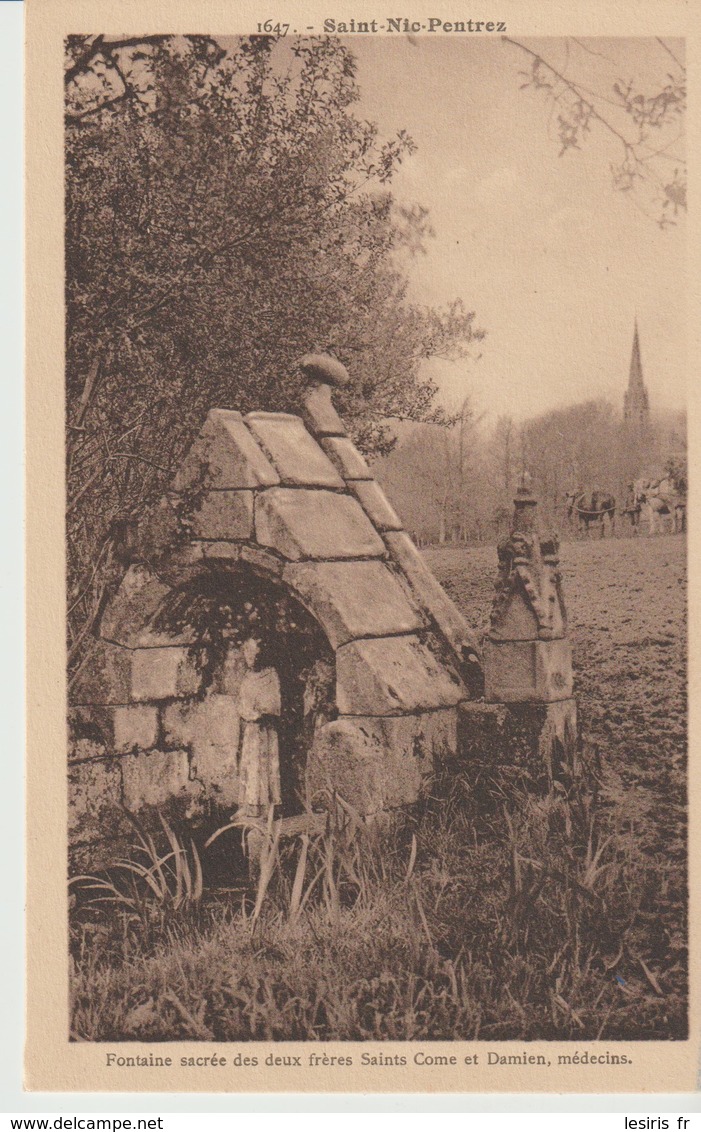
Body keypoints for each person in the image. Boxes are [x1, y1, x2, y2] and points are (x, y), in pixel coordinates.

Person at [237, 636, 282, 818]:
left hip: (265, 730)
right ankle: (249, 805)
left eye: (253, 653)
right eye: (246, 653)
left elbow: (274, 703)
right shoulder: (247, 677)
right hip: (250, 730)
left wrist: (259, 712)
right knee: (249, 765)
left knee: (264, 766)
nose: (250, 657)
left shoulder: (270, 675)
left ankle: (265, 807)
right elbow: (241, 701)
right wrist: (246, 712)